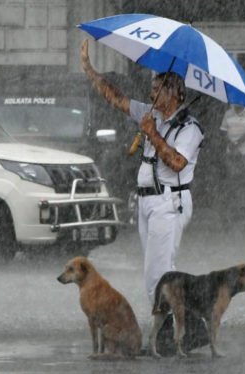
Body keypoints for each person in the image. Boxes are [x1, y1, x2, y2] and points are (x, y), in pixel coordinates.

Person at [80, 39, 204, 305]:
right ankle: (175, 326)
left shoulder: (189, 128)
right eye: (152, 89)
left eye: (157, 90)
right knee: (157, 269)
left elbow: (177, 162)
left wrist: (152, 134)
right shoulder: (152, 114)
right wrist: (90, 71)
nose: (151, 95)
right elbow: (117, 99)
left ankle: (171, 328)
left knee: (157, 273)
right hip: (147, 201)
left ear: (174, 94)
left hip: (169, 201)